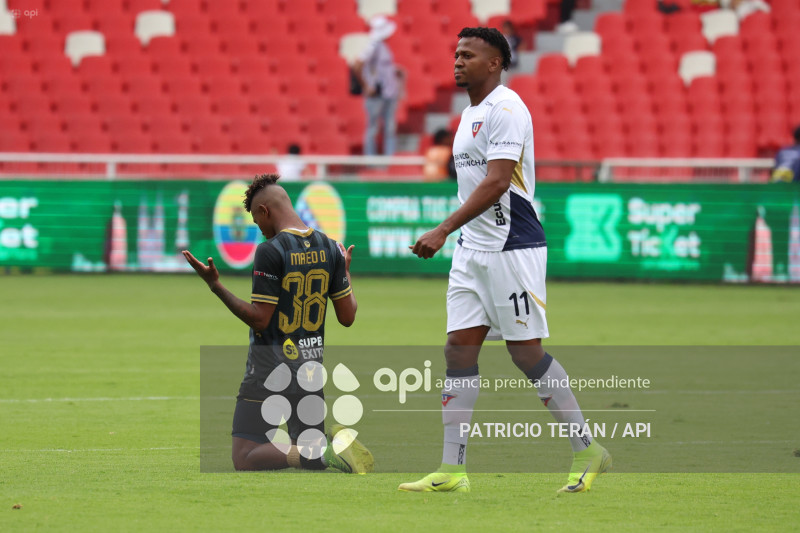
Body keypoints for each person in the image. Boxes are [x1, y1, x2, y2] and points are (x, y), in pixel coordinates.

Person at [399, 27, 610, 494]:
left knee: (525, 353)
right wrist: (457, 237)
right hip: (472, 252)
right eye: (455, 53)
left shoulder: (508, 108)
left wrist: (441, 229)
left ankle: (588, 449)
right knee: (458, 349)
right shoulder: (469, 113)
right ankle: (452, 469)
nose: (458, 60)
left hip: (512, 247)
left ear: (494, 63)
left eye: (468, 55)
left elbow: (496, 183)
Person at [183, 174, 373, 473]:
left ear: (265, 211)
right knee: (305, 456)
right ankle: (324, 451)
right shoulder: (331, 247)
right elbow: (348, 318)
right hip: (310, 369)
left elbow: (261, 319)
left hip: (269, 369)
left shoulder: (271, 250)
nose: (259, 230)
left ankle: (324, 450)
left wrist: (215, 285)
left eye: (257, 221)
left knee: (245, 456)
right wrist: (345, 273)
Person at [355, 15, 400, 156]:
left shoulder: (382, 46)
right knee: (374, 128)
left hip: (388, 93)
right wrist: (367, 86)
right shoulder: (373, 45)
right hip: (377, 94)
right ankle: (371, 158)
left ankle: (389, 159)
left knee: (389, 128)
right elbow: (357, 64)